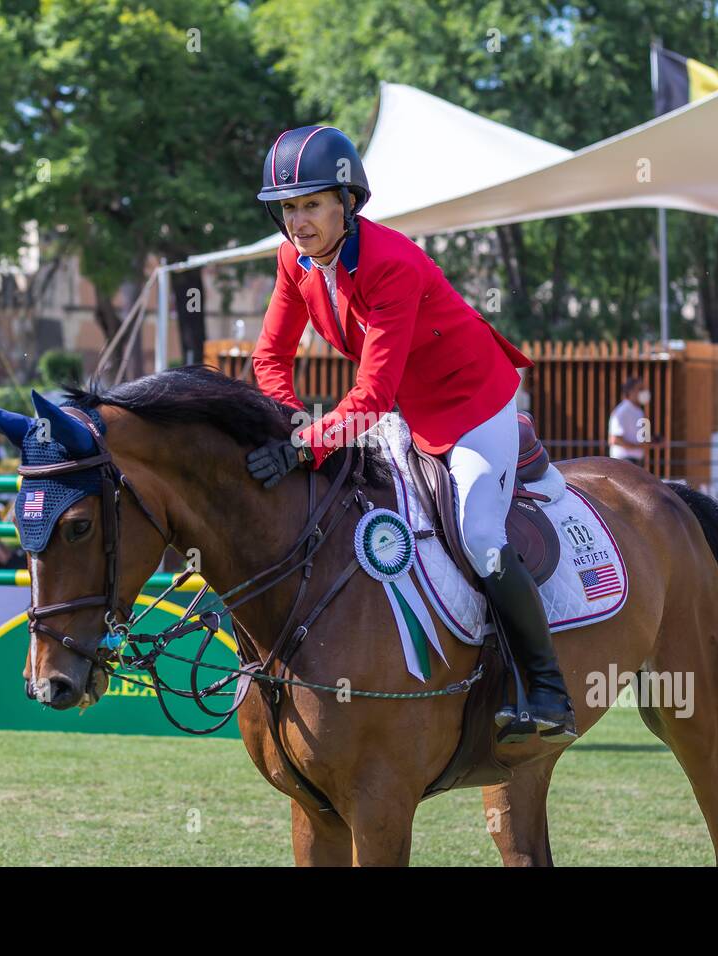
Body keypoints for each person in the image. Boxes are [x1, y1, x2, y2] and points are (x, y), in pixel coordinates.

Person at [245, 125, 576, 741]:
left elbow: (371, 397)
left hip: (473, 407)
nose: (298, 222)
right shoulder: (294, 261)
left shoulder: (391, 262)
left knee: (480, 538)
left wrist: (301, 445)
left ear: (348, 202)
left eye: (311, 204)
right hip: (405, 413)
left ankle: (549, 691)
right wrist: (289, 421)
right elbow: (270, 359)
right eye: (288, 208)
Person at [608, 376, 663, 466]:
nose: (644, 392)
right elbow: (614, 439)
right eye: (640, 389)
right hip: (623, 462)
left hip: (636, 462)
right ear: (630, 392)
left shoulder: (639, 411)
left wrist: (655, 441)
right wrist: (639, 447)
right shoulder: (622, 411)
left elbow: (643, 438)